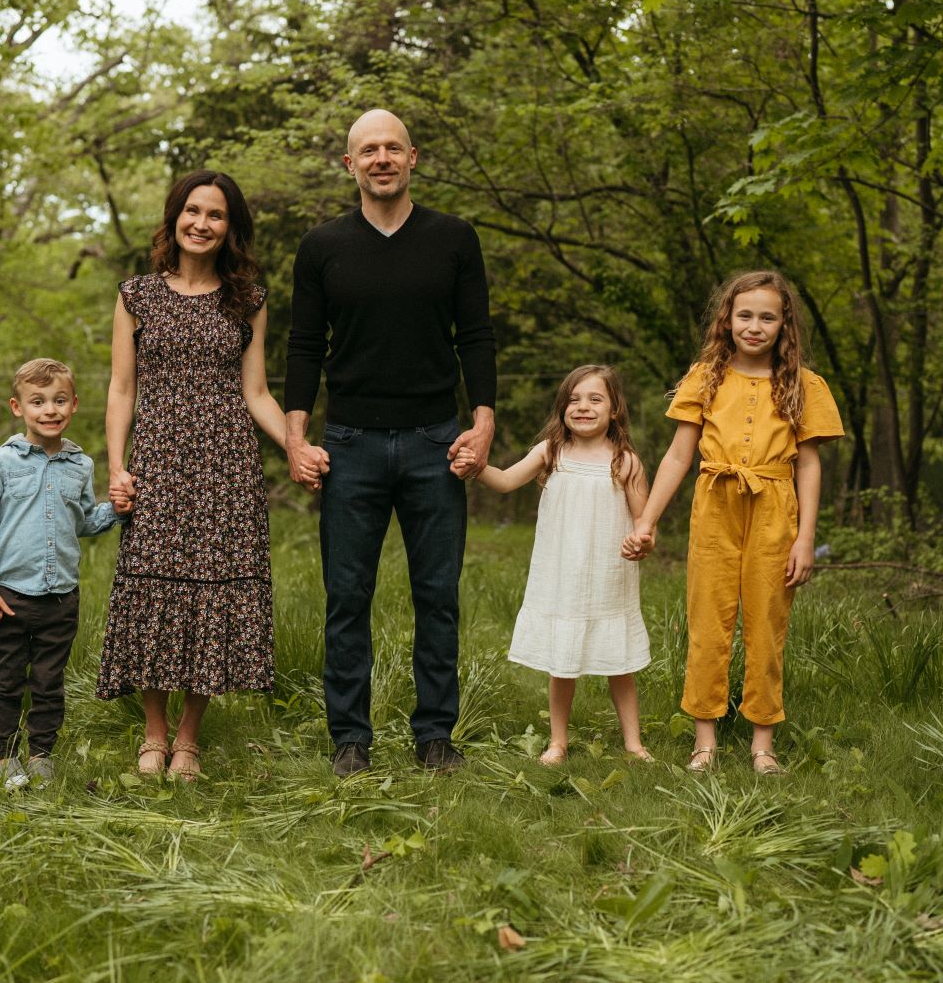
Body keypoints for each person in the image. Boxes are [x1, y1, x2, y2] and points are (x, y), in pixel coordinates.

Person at [285, 108, 497, 777]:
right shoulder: (322, 246)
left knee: (437, 593)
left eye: (392, 148)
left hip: (437, 441)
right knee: (348, 595)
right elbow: (301, 345)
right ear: (349, 165)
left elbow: (476, 336)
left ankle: (435, 735)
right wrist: (295, 436)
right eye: (367, 150)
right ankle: (350, 737)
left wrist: (483, 421)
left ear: (412, 158)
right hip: (349, 443)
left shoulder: (453, 239)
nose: (381, 158)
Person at [97, 170, 287, 783]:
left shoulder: (249, 301)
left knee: (210, 592)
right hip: (156, 463)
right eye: (193, 212)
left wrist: (297, 444)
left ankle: (188, 739)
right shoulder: (136, 295)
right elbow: (121, 387)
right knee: (150, 590)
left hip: (225, 467)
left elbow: (256, 392)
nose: (202, 224)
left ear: (231, 228)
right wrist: (118, 465)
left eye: (216, 215)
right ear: (174, 217)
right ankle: (152, 733)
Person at [622, 271, 844, 775]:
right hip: (715, 504)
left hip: (774, 508)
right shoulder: (706, 376)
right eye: (745, 315)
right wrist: (647, 521)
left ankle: (762, 743)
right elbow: (680, 454)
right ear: (728, 320)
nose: (755, 326)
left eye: (767, 317)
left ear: (784, 324)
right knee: (709, 621)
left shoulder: (804, 385)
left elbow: (808, 464)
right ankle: (705, 740)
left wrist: (806, 538)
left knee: (767, 623)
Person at [477, 365, 653, 766]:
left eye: (595, 399)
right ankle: (558, 741)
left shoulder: (625, 461)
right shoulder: (550, 451)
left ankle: (633, 742)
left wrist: (642, 541)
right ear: (562, 408)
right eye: (573, 399)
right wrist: (474, 466)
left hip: (609, 575)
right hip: (563, 573)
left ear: (615, 410)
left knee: (619, 662)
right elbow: (504, 481)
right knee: (563, 661)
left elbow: (644, 521)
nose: (583, 407)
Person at [0, 358, 118, 791]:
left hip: (60, 598)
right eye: (38, 401)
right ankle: (4, 757)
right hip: (10, 598)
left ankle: (42, 756)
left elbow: (85, 521)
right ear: (18, 407)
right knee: (7, 682)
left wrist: (118, 511)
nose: (49, 410)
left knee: (50, 683)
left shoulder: (81, 466)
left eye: (58, 400)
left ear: (73, 406)